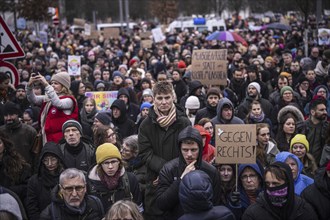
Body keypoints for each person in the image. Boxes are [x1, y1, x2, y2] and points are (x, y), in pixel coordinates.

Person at [138, 81, 191, 219]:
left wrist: (171, 173)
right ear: (153, 99)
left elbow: (189, 150)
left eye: (167, 97)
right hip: (155, 180)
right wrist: (164, 171)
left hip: (180, 177)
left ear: (173, 97)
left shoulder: (184, 122)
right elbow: (145, 153)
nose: (163, 102)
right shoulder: (146, 125)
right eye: (160, 98)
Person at [156, 126, 221, 219]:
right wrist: (181, 180)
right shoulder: (169, 169)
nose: (189, 155)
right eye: (185, 150)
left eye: (193, 150)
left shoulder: (211, 171)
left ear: (200, 149)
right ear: (180, 149)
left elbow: (215, 203)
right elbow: (161, 204)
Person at [242, 161, 318, 220]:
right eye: (267, 184)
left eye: (275, 184)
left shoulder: (304, 210)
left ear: (288, 184)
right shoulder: (252, 213)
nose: (271, 188)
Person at [87, 143, 142, 212]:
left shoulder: (130, 179)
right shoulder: (90, 183)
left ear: (119, 162)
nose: (110, 167)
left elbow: (138, 207)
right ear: (100, 165)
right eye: (106, 163)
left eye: (113, 162)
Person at [26, 72, 79, 144]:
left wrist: (47, 85)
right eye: (52, 83)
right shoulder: (48, 98)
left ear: (64, 86)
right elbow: (33, 99)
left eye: (56, 83)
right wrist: (29, 85)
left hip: (61, 141)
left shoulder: (69, 100)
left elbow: (58, 103)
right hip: (48, 138)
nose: (53, 85)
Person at [39, 168, 105, 220]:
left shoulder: (96, 203)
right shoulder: (49, 214)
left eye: (79, 188)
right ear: (61, 189)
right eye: (69, 189)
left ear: (85, 188)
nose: (74, 194)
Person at [25, 142, 65, 220]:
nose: (49, 164)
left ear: (59, 159)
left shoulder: (66, 177)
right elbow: (32, 207)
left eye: (53, 159)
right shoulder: (34, 181)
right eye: (45, 160)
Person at [0, 101, 37, 166]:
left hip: (26, 172)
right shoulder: (1, 131)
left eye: (11, 114)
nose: (8, 118)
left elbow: (36, 156)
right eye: (6, 115)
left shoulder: (30, 132)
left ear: (17, 114)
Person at [0, 131, 32, 203]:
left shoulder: (18, 164)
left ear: (5, 144)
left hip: (13, 204)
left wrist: (7, 191)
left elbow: (27, 187)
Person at [303, 96, 329, 165]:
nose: (325, 112)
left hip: (321, 166)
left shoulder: (327, 127)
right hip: (305, 165)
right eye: (321, 110)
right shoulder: (302, 126)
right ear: (312, 112)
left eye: (325, 109)